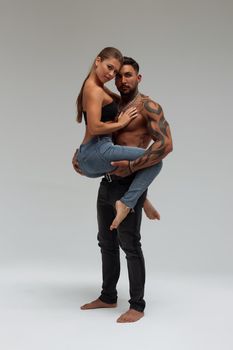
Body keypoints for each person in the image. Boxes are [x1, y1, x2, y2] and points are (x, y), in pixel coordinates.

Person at [72, 56, 173, 323]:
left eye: (128, 75)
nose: (122, 80)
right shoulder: (114, 105)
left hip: (128, 184)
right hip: (106, 183)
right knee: (105, 242)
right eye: (118, 76)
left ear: (138, 78)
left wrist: (131, 169)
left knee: (129, 244)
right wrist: (81, 154)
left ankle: (137, 305)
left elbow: (164, 147)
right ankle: (107, 296)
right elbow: (101, 138)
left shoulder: (149, 107)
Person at [76, 47, 163, 230]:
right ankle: (128, 202)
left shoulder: (100, 89)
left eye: (114, 71)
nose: (111, 74)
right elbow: (94, 127)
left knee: (134, 166)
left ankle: (141, 200)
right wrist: (121, 123)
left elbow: (122, 100)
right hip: (98, 150)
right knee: (154, 160)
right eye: (109, 68)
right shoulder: (93, 89)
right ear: (97, 61)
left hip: (92, 155)